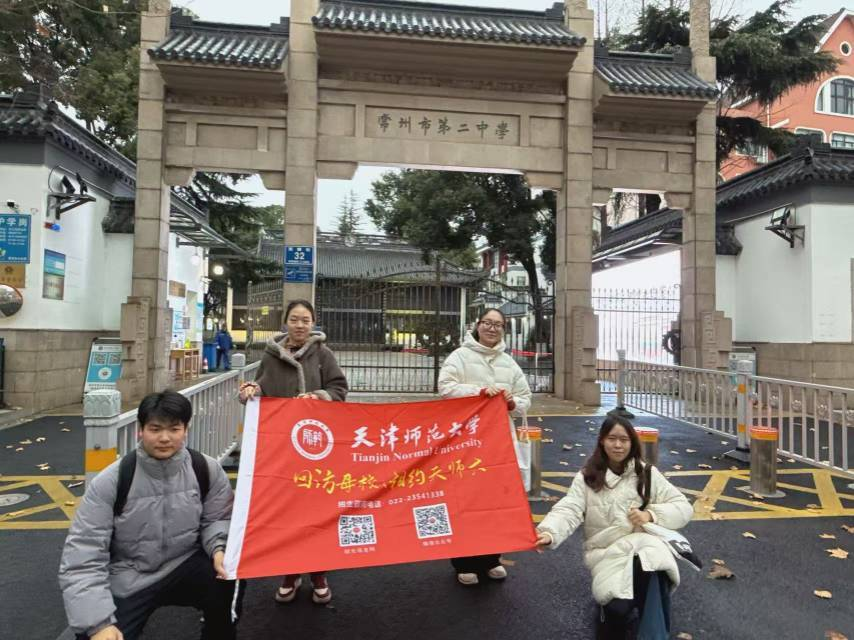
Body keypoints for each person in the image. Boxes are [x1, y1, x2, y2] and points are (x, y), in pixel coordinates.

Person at [58, 391, 242, 640]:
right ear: (141, 430)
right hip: (130, 576)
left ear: (185, 430)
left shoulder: (205, 469)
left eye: (174, 429)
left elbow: (218, 519)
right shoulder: (112, 480)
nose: (164, 438)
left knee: (230, 573)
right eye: (155, 429)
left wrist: (219, 548)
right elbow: (84, 554)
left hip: (184, 563)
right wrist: (98, 624)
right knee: (96, 633)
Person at [535, 416, 693, 640]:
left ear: (632, 443)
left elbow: (683, 507)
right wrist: (549, 532)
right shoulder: (587, 477)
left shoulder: (647, 473)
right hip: (607, 552)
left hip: (643, 546)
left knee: (656, 571)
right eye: (612, 439)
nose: (618, 445)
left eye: (624, 440)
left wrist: (651, 515)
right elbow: (569, 509)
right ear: (602, 440)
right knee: (617, 609)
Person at [238, 299, 348, 604]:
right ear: (285, 321)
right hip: (282, 447)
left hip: (316, 447)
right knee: (286, 513)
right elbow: (262, 387)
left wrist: (317, 397)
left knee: (316, 513)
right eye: (295, 319)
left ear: (313, 323)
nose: (300, 325)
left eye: (306, 320)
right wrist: (251, 390)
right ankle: (289, 572)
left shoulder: (323, 354)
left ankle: (318, 573)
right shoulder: (271, 355)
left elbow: (339, 390)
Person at [437, 307, 532, 586]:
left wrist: (512, 402)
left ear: (503, 330)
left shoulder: (508, 363)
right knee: (467, 501)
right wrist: (478, 393)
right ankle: (464, 562)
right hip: (466, 441)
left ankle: (491, 559)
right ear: (477, 326)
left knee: (495, 502)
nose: (492, 328)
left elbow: (526, 398)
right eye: (487, 323)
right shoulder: (460, 356)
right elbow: (446, 387)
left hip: (498, 442)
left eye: (498, 325)